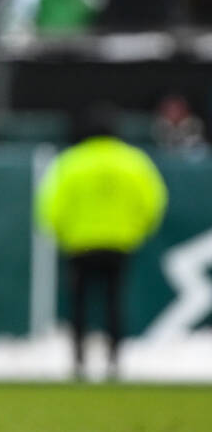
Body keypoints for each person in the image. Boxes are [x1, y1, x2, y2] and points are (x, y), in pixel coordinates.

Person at [34, 113, 168, 380]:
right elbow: (154, 201)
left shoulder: (71, 161)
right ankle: (114, 360)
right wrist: (137, 232)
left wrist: (62, 234)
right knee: (114, 301)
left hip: (79, 244)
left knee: (79, 304)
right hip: (119, 243)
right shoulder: (134, 161)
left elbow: (50, 205)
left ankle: (79, 361)